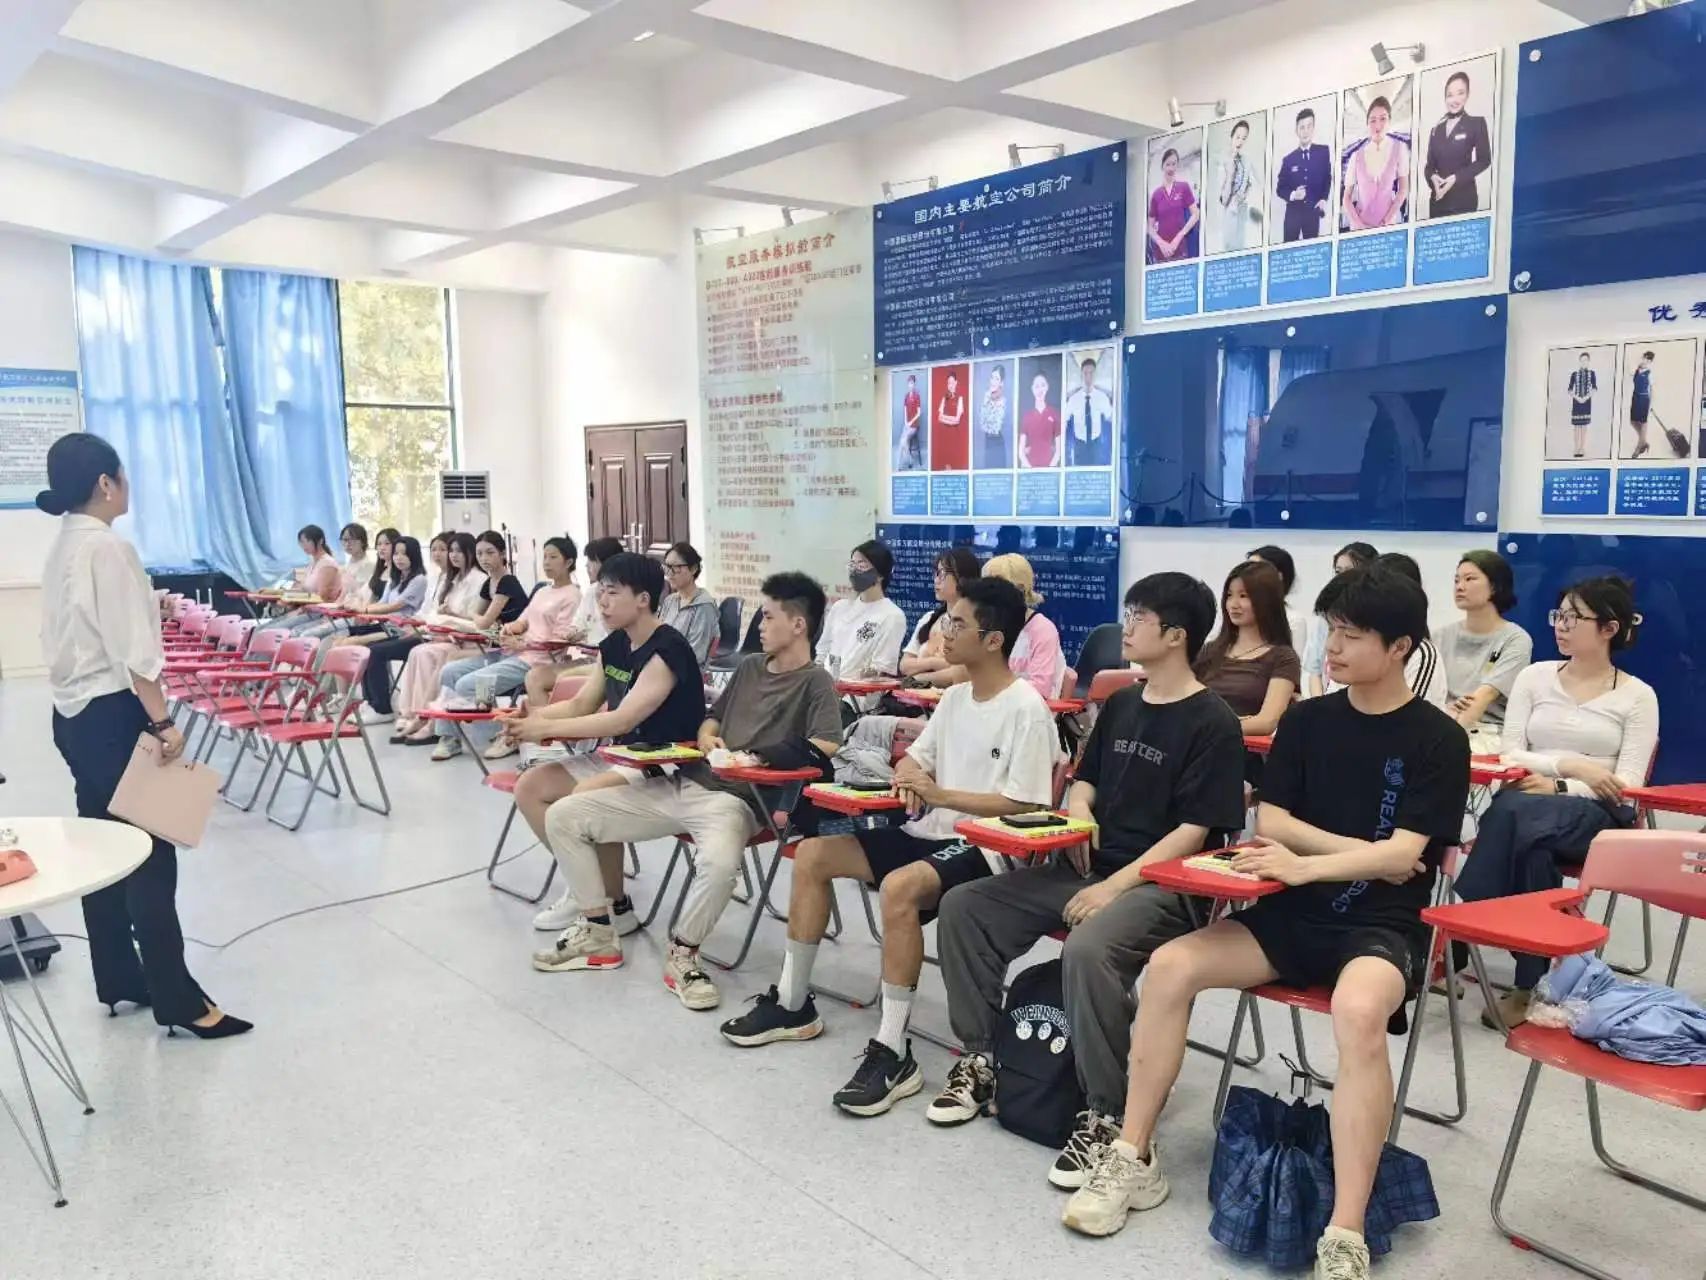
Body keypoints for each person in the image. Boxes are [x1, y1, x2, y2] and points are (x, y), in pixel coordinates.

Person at [1064, 565, 1470, 1280]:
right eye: (1331, 631)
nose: (1333, 648)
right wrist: (1360, 855)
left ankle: (1345, 1229)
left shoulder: (1438, 737)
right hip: (1288, 913)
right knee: (1171, 965)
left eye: (1352, 635)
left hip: (1379, 924)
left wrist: (1314, 863)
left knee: (1358, 1011)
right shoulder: (1308, 721)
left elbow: (1406, 857)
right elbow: (1274, 823)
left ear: (1401, 646)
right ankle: (1133, 1153)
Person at [933, 572, 1246, 1183]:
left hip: (1163, 886)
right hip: (1084, 867)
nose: (1126, 627)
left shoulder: (1213, 721)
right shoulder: (1123, 703)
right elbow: (1084, 781)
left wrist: (1114, 886)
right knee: (967, 907)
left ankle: (1105, 1112)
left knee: (1088, 947)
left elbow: (1194, 832)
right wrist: (1079, 816)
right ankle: (982, 1058)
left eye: (1139, 617)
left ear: (1176, 635)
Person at [716, 577, 1058, 1117]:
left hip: (987, 848)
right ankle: (792, 1002)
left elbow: (1028, 806)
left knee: (900, 887)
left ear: (993, 640)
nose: (945, 633)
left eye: (958, 624)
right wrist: (909, 772)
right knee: (813, 854)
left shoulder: (1026, 708)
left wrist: (941, 794)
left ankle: (893, 1047)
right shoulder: (955, 698)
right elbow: (917, 758)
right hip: (928, 832)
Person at [544, 572, 843, 1010]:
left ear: (798, 625)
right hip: (687, 781)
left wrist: (762, 759)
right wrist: (707, 737)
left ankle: (683, 953)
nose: (759, 625)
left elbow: (827, 744)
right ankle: (599, 931)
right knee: (563, 816)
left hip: (739, 801)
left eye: (767, 616)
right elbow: (713, 718)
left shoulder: (816, 681)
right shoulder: (750, 668)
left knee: (719, 867)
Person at [36, 433, 251, 1039]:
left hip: (73, 716)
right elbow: (135, 652)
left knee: (101, 846)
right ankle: (179, 1001)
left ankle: (119, 976)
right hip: (114, 715)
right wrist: (162, 723)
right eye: (123, 476)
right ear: (105, 483)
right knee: (149, 857)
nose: (127, 485)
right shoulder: (109, 547)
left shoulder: (63, 545)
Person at [1452, 576, 1657, 1029]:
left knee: (1510, 812)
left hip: (1598, 815)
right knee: (1533, 847)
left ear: (1609, 629)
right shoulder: (1535, 677)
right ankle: (1530, 985)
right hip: (1531, 802)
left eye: (1573, 617)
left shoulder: (1638, 696)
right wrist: (1571, 766)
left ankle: (1461, 925)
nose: (1560, 626)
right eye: (1558, 615)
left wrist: (1562, 787)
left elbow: (1626, 783)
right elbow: (1510, 752)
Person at [507, 552, 710, 941]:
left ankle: (609, 906)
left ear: (643, 599)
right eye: (600, 592)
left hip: (665, 763)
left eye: (612, 593)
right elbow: (581, 704)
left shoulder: (668, 650)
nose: (602, 602)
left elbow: (622, 721)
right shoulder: (615, 643)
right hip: (621, 757)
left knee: (583, 798)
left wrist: (546, 729)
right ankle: (589, 890)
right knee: (530, 787)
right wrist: (531, 720)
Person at [430, 536, 582, 761]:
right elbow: (523, 620)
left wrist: (523, 644)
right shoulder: (543, 591)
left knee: (467, 685)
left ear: (568, 562)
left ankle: (503, 733)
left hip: (535, 661)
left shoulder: (572, 595)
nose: (546, 562)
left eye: (553, 557)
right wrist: (509, 629)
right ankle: (449, 738)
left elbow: (560, 640)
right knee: (449, 672)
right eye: (544, 557)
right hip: (511, 652)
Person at [395, 531, 525, 744]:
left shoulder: (507, 582)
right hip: (496, 649)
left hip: (514, 654)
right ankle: (444, 733)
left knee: (466, 680)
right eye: (480, 553)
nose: (484, 558)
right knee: (448, 669)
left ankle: (492, 735)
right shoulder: (489, 583)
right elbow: (478, 619)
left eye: (490, 553)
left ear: (503, 554)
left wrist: (476, 618)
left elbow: (482, 621)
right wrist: (465, 616)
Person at [364, 532, 486, 722]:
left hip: (477, 644)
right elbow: (439, 614)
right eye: (450, 550)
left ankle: (427, 718)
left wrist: (446, 622)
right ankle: (417, 714)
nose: (452, 555)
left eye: (489, 553)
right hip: (451, 636)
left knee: (430, 655)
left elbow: (483, 624)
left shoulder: (487, 581)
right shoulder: (452, 580)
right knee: (420, 653)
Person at [1194, 560, 1300, 739]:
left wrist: (1207, 727)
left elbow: (1266, 722)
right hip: (1198, 746)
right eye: (1229, 595)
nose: (1233, 604)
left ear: (1266, 600)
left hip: (1243, 750)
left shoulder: (1283, 657)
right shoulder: (1210, 651)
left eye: (1243, 596)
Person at [1434, 550, 1532, 736]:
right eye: (1456, 580)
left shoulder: (1515, 639)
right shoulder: (1440, 636)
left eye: (1469, 579)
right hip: (1442, 723)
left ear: (1494, 587)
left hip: (1488, 732)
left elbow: (1484, 697)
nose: (1460, 587)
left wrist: (1448, 740)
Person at [521, 534, 620, 714]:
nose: (587, 566)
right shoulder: (591, 591)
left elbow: (617, 635)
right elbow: (578, 624)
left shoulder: (621, 594)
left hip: (607, 662)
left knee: (558, 679)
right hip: (588, 658)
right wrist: (572, 633)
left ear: (608, 564)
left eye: (592, 561)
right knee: (535, 677)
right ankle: (547, 727)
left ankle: (550, 725)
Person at [819, 539, 908, 709]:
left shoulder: (892, 616)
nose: (855, 570)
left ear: (880, 574)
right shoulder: (840, 608)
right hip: (823, 691)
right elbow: (822, 651)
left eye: (862, 564)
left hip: (855, 701)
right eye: (852, 564)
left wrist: (845, 686)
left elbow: (881, 669)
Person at [259, 522, 373, 634]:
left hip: (342, 613)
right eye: (344, 540)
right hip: (329, 610)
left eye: (352, 540)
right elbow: (304, 590)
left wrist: (295, 601)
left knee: (291, 632)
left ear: (362, 541)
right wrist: (275, 593)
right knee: (265, 629)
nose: (347, 544)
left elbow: (326, 597)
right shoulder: (345, 564)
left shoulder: (364, 565)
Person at [983, 553, 1065, 700]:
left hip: (1030, 708)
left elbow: (1040, 688)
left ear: (1020, 590)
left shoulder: (1042, 629)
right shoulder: (987, 625)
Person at [1303, 542, 1378, 697]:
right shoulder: (1324, 617)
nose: (1342, 578)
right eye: (1338, 572)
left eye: (1350, 571)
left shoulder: (1374, 617)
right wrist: (1319, 702)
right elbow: (1314, 671)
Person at [331, 535, 428, 649]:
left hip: (402, 629)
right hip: (386, 624)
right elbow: (382, 602)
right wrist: (358, 609)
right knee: (337, 641)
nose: (399, 558)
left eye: (404, 554)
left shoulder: (419, 579)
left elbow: (395, 606)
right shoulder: (395, 578)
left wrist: (364, 610)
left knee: (348, 643)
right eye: (396, 554)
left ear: (414, 555)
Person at [901, 547, 981, 685]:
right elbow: (905, 665)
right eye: (936, 574)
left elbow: (962, 673)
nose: (936, 580)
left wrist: (918, 679)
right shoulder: (929, 618)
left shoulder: (976, 622)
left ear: (962, 578)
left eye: (942, 574)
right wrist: (933, 662)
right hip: (916, 695)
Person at [1422, 71, 1491, 218]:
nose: (1455, 100)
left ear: (1467, 94)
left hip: (1463, 201)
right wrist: (1432, 177)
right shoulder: (1436, 129)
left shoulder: (1476, 123)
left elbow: (1484, 160)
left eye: (1460, 93)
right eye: (1450, 95)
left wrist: (1456, 178)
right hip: (1438, 201)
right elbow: (1429, 166)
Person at [1342, 96, 1410, 230]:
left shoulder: (1399, 149)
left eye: (1383, 119)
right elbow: (1346, 198)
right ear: (1367, 124)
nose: (1377, 125)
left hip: (1389, 225)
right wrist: (1359, 225)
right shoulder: (1356, 156)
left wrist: (1387, 220)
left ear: (1390, 121)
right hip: (1360, 226)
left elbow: (1403, 189)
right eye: (1373, 120)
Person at [659, 541, 718, 667]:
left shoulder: (704, 607)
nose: (669, 574)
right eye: (667, 567)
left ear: (693, 569)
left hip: (686, 671)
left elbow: (696, 655)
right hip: (663, 664)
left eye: (676, 568)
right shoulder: (670, 601)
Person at [1277, 107, 1332, 241]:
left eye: (1309, 126)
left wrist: (1323, 199)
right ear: (1296, 131)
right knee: (1289, 250)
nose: (1305, 131)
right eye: (1302, 127)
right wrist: (1294, 195)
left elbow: (1327, 178)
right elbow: (1280, 188)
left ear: (1313, 128)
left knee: (1311, 250)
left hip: (1313, 213)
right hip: (1292, 215)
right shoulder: (1288, 159)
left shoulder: (1323, 152)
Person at [1147, 147, 1199, 263]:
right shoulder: (1156, 194)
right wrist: (1161, 243)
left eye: (1174, 164)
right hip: (1161, 252)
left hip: (1180, 249)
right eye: (1168, 164)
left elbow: (1196, 214)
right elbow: (1149, 226)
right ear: (1162, 166)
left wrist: (1179, 236)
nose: (1171, 168)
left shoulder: (1183, 187)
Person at [1247, 543, 1304, 644]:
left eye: (1255, 569)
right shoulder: (1238, 612)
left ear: (1278, 576)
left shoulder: (1293, 620)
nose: (1246, 575)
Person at [1063, 356, 1114, 468]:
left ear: (1095, 375)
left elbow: (1111, 418)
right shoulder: (1073, 399)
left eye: (1091, 373)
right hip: (1079, 444)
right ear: (1081, 374)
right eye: (1085, 373)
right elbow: (1064, 420)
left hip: (1096, 444)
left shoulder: (1102, 397)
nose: (1088, 377)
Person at [1217, 119, 1255, 251]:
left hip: (1242, 210)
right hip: (1229, 212)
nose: (1240, 141)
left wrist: (1244, 195)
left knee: (1242, 246)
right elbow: (1223, 199)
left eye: (1244, 138)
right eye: (1238, 137)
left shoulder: (1246, 160)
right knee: (1229, 248)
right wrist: (1230, 175)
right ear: (1231, 137)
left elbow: (1249, 184)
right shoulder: (1223, 161)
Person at [1019, 371, 1061, 469]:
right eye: (1036, 386)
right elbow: (1021, 452)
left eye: (1043, 385)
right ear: (1032, 389)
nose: (1040, 390)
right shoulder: (1027, 417)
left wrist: (1050, 470)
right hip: (1030, 471)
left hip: (1050, 471)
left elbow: (1058, 451)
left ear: (1047, 387)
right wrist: (1030, 470)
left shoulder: (1054, 414)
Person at [974, 364, 1009, 469]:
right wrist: (987, 398)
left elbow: (995, 428)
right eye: (992, 377)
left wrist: (988, 420)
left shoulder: (1003, 401)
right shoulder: (986, 397)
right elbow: (982, 424)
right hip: (987, 442)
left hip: (997, 443)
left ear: (1001, 383)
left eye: (997, 379)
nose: (993, 381)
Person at [1566, 352, 1598, 459]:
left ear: (1588, 361)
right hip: (1576, 402)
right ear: (1579, 361)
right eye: (1582, 360)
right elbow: (1570, 389)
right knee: (1576, 426)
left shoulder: (1592, 374)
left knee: (1584, 426)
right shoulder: (1574, 374)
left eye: (1586, 360)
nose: (1584, 362)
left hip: (1587, 402)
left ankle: (1582, 448)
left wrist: (1586, 398)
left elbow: (1594, 388)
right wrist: (1577, 398)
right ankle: (1576, 447)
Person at [934, 371, 968, 471]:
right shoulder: (944, 398)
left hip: (954, 435)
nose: (950, 385)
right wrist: (950, 419)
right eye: (949, 383)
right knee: (946, 465)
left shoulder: (960, 398)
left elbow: (957, 420)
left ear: (956, 383)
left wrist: (945, 418)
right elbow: (939, 417)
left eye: (952, 382)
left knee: (955, 463)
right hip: (945, 435)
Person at [1627, 350, 1654, 459]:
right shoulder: (1636, 370)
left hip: (1644, 399)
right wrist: (1636, 362)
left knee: (1643, 423)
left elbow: (1652, 390)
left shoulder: (1650, 373)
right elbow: (1629, 372)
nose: (1645, 361)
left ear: (1650, 362)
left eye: (1648, 360)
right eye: (1644, 358)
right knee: (1633, 421)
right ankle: (1644, 442)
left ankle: (1638, 448)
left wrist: (1651, 404)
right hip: (1635, 397)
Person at [898, 373, 924, 470]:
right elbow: (905, 410)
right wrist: (905, 421)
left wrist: (910, 422)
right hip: (907, 424)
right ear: (907, 384)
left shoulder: (917, 396)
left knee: (903, 441)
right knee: (901, 443)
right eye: (909, 383)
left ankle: (909, 460)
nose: (910, 385)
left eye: (912, 383)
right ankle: (900, 465)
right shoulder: (906, 396)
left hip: (914, 425)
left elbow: (919, 413)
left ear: (914, 384)